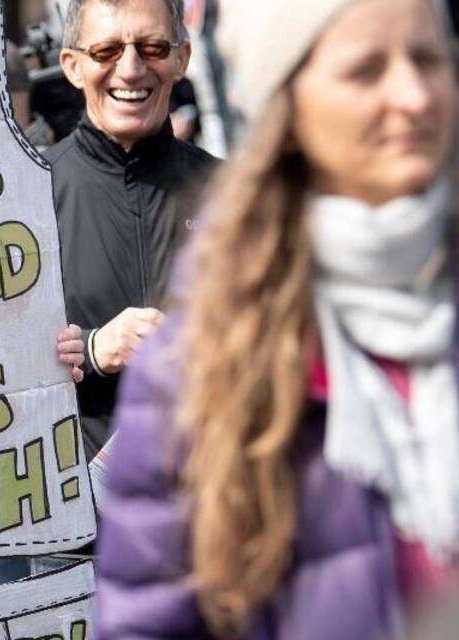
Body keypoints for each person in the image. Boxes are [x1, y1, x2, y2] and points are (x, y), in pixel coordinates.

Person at [95, 0, 458, 638]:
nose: (414, 95)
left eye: (429, 59)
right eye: (366, 69)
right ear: (287, 108)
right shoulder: (200, 371)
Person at [48, 0, 215, 462]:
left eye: (153, 46)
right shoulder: (29, 196)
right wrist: (95, 349)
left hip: (215, 500)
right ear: (73, 66)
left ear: (181, 58)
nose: (131, 68)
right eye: (105, 51)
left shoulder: (232, 194)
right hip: (84, 516)